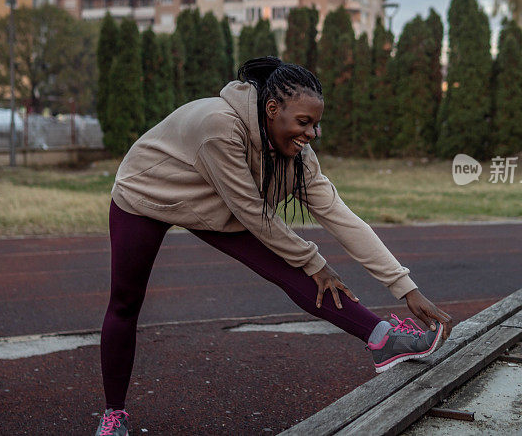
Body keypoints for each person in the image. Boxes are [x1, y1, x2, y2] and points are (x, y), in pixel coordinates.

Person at [94, 56, 453, 436]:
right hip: (149, 194)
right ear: (271, 110)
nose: (312, 134)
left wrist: (405, 288)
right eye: (303, 122)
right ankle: (113, 414)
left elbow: (342, 217)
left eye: (316, 124)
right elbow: (250, 210)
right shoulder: (220, 127)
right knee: (125, 302)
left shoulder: (298, 156)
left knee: (298, 267)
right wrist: (315, 260)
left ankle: (382, 340)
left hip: (220, 204)